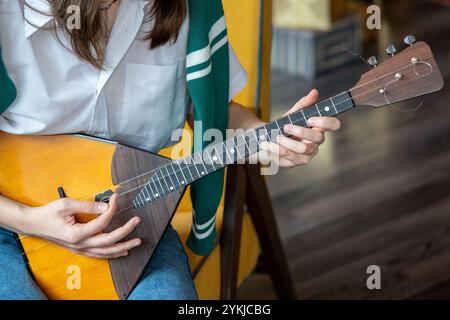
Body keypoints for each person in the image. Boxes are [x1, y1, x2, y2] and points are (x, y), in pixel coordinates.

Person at [0, 0, 341, 300]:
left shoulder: (190, 8)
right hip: (8, 221)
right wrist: (30, 221)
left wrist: (271, 139)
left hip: (133, 219)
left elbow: (214, 110)